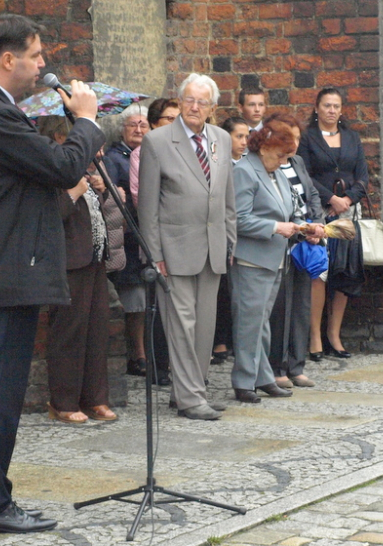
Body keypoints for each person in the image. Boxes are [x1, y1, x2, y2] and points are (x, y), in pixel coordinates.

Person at [0, 13, 104, 534]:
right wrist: (85, 120)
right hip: (4, 272)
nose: (43, 65)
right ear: (9, 59)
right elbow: (61, 169)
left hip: (7, 269)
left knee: (1, 390)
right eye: (37, 55)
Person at [138, 73, 236, 420]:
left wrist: (230, 238)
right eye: (189, 100)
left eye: (202, 101)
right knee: (181, 325)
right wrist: (154, 255)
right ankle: (191, 399)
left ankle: (191, 390)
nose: (195, 107)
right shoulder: (159, 142)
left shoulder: (221, 139)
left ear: (212, 107)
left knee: (205, 327)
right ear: (180, 102)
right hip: (173, 251)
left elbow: (227, 196)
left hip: (213, 249)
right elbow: (147, 207)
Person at [39, 116, 117, 425]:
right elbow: (49, 217)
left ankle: (95, 398)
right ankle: (63, 401)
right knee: (68, 333)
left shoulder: (80, 171)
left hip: (95, 259)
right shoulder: (49, 172)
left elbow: (92, 214)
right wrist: (73, 192)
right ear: (61, 138)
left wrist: (99, 189)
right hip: (69, 262)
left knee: (97, 330)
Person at [231, 115, 312, 403]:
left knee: (262, 323)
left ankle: (262, 376)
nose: (283, 161)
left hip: (275, 257)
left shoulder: (275, 171)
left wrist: (304, 228)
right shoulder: (245, 171)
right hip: (252, 259)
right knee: (249, 323)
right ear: (265, 146)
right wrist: (276, 227)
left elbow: (289, 209)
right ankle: (243, 382)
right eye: (280, 155)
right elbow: (238, 219)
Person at [297, 88, 369, 357]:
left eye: (336, 106)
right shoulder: (307, 137)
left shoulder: (352, 137)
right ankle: (315, 336)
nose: (331, 110)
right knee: (320, 273)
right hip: (319, 212)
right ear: (316, 108)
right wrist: (330, 198)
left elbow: (363, 174)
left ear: (341, 110)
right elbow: (303, 171)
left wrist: (348, 199)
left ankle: (334, 334)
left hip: (348, 214)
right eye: (326, 105)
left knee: (346, 272)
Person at [267, 113, 326, 389]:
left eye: (298, 138)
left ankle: (296, 365)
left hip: (305, 242)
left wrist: (317, 225)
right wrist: (300, 227)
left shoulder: (298, 162)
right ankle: (276, 367)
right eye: (289, 138)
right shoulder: (268, 165)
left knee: (302, 305)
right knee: (281, 308)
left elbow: (311, 194)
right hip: (282, 242)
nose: (294, 144)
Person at [125, 98, 180, 387]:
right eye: (169, 119)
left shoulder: (186, 152)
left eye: (177, 118)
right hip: (158, 237)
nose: (175, 124)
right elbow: (140, 197)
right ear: (156, 124)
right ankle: (159, 366)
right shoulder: (141, 154)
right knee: (159, 307)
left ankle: (182, 367)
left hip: (184, 239)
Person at [104, 103, 150, 378]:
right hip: (128, 237)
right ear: (122, 129)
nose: (138, 129)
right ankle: (137, 354)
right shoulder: (114, 157)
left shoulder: (151, 155)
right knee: (134, 301)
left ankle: (145, 351)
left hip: (147, 235)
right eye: (133, 124)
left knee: (146, 300)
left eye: (143, 125)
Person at [212, 116, 250, 366]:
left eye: (247, 136)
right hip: (220, 232)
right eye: (239, 136)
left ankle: (232, 339)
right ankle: (218, 340)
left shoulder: (248, 165)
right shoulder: (218, 162)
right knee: (220, 292)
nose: (244, 142)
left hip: (240, 234)